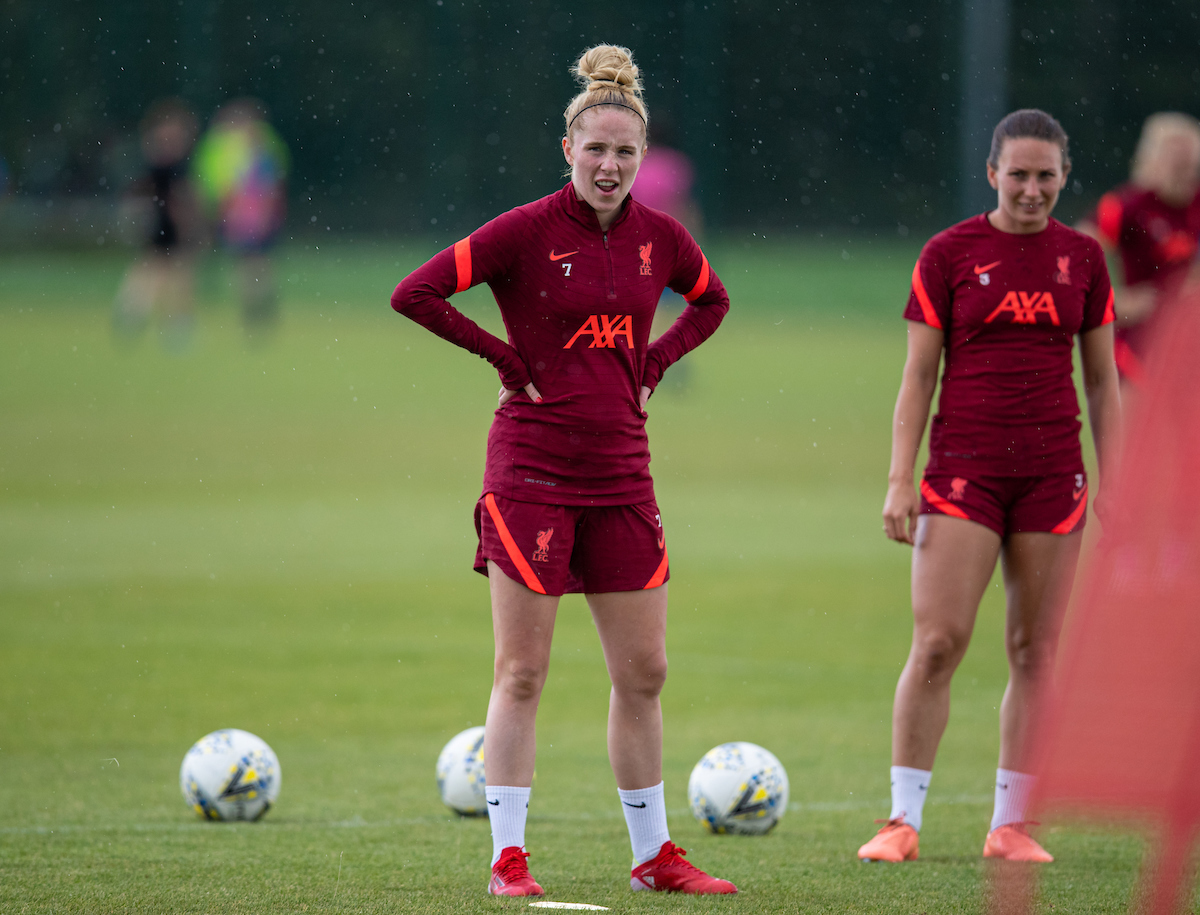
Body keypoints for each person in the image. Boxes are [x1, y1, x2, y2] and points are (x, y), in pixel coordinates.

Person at [391, 45, 737, 897]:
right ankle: (509, 858)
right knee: (522, 671)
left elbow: (713, 299)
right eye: (597, 149)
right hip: (532, 471)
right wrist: (505, 358)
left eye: (625, 152)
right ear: (568, 150)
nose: (610, 165)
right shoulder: (524, 231)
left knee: (645, 673)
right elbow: (418, 292)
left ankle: (654, 857)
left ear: (642, 158)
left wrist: (655, 363)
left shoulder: (662, 240)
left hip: (624, 472)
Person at [858, 110, 1121, 865]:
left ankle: (1012, 825)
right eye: (1019, 174)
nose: (1032, 189)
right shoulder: (949, 253)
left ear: (1064, 176)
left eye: (1046, 175)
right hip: (962, 475)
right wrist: (899, 480)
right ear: (991, 174)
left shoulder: (1083, 258)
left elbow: (1102, 381)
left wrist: (1116, 480)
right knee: (939, 642)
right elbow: (918, 375)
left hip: (1052, 476)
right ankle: (900, 820)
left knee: (1036, 651)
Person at [1077, 112, 1200, 392]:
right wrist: (1114, 301)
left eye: (1189, 166)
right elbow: (1074, 251)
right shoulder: (1129, 206)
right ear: (1152, 160)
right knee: (1135, 432)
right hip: (1137, 348)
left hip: (1189, 345)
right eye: (1176, 165)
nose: (1185, 175)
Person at [192, 98, 290, 333]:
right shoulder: (251, 147)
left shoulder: (255, 150)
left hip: (247, 217)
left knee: (251, 263)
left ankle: (255, 307)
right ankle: (256, 306)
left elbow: (269, 186)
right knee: (252, 263)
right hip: (239, 216)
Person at [112, 98, 202, 346]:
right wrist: (188, 225)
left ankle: (136, 314)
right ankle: (173, 325)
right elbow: (179, 198)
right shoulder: (168, 165)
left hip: (159, 220)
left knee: (156, 269)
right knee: (171, 271)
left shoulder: (156, 162)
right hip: (165, 222)